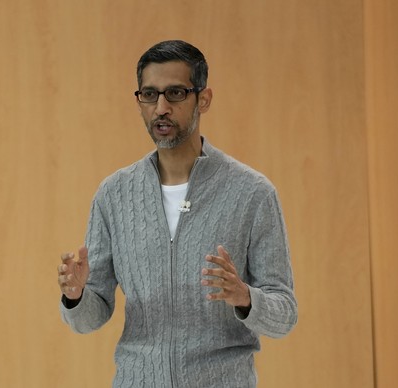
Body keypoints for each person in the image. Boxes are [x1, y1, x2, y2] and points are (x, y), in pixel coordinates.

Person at [57, 40, 297, 388]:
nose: (161, 108)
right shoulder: (114, 194)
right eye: (149, 95)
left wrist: (245, 297)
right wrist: (76, 295)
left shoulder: (252, 193)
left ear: (204, 99)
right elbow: (89, 318)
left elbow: (284, 314)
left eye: (175, 93)